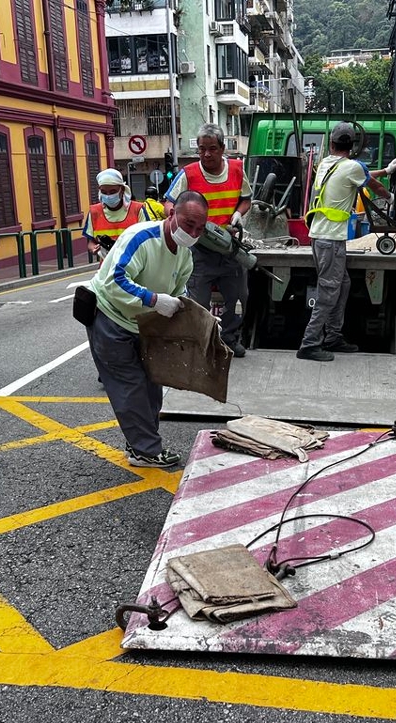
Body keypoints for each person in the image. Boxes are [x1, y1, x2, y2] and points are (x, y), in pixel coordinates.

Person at [86, 190, 209, 468]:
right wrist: (153, 299)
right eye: (189, 224)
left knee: (152, 385)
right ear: (172, 214)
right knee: (130, 386)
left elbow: (180, 294)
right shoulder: (141, 238)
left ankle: (140, 442)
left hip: (142, 324)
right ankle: (145, 450)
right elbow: (115, 280)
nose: (193, 233)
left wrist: (198, 319)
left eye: (200, 228)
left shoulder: (184, 255)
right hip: (110, 316)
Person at [296, 122, 396, 362]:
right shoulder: (352, 166)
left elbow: (360, 174)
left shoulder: (325, 164)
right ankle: (309, 344)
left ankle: (333, 336)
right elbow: (371, 183)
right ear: (353, 147)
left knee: (343, 284)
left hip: (319, 237)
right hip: (331, 240)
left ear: (331, 144)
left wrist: (386, 170)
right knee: (328, 292)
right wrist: (392, 197)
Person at [164, 124, 252, 359]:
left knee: (238, 296)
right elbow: (169, 203)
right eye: (202, 149)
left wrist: (239, 214)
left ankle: (229, 339)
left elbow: (246, 199)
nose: (206, 154)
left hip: (229, 246)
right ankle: (202, 343)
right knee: (198, 301)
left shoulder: (237, 169)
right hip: (199, 249)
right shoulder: (189, 174)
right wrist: (180, 221)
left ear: (222, 149)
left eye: (212, 149)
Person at [83, 169, 147, 260]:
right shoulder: (94, 212)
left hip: (135, 264)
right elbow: (91, 242)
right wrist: (93, 248)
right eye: (104, 192)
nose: (108, 196)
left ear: (122, 190)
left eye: (113, 192)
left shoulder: (137, 209)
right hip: (107, 266)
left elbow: (147, 240)